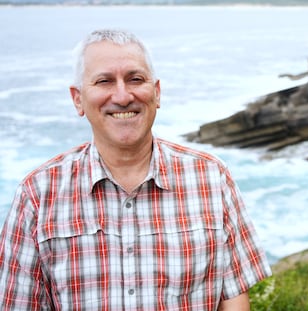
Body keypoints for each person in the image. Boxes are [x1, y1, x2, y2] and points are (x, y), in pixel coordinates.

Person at [0, 29, 271, 310]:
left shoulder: (212, 178)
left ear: (156, 92)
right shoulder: (37, 194)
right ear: (77, 99)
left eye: (135, 79)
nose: (123, 95)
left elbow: (234, 300)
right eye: (104, 81)